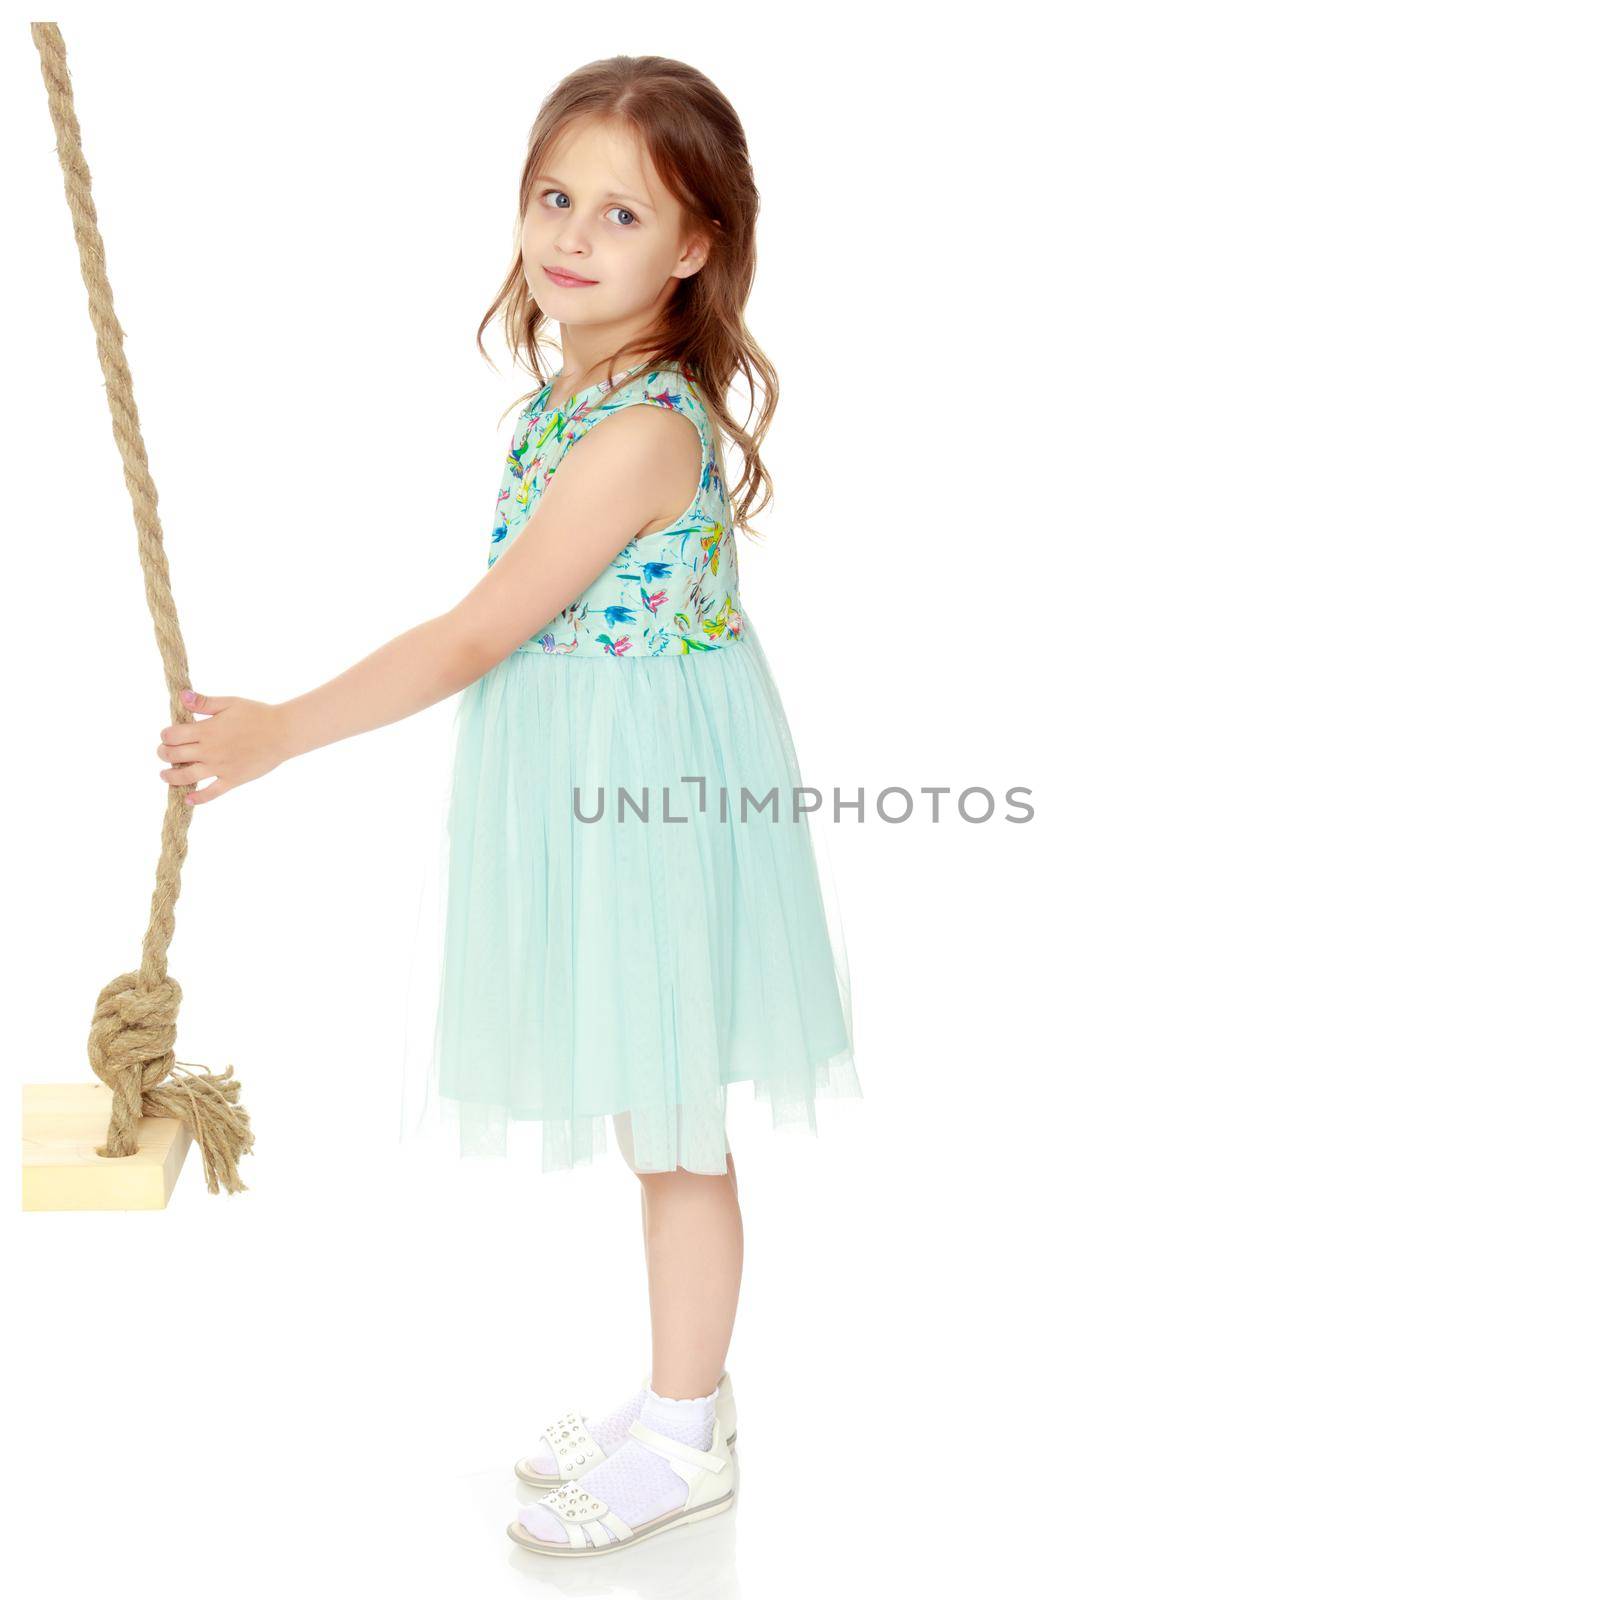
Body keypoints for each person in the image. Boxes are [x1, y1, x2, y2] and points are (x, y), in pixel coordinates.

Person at [152, 54, 860, 1557]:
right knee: (647, 1109)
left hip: (649, 791)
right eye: (555, 196)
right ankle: (684, 1393)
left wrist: (284, 730)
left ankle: (688, 1433)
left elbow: (479, 631)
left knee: (674, 1127)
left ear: (694, 249)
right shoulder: (568, 388)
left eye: (622, 213)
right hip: (587, 769)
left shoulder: (639, 434)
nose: (572, 236)